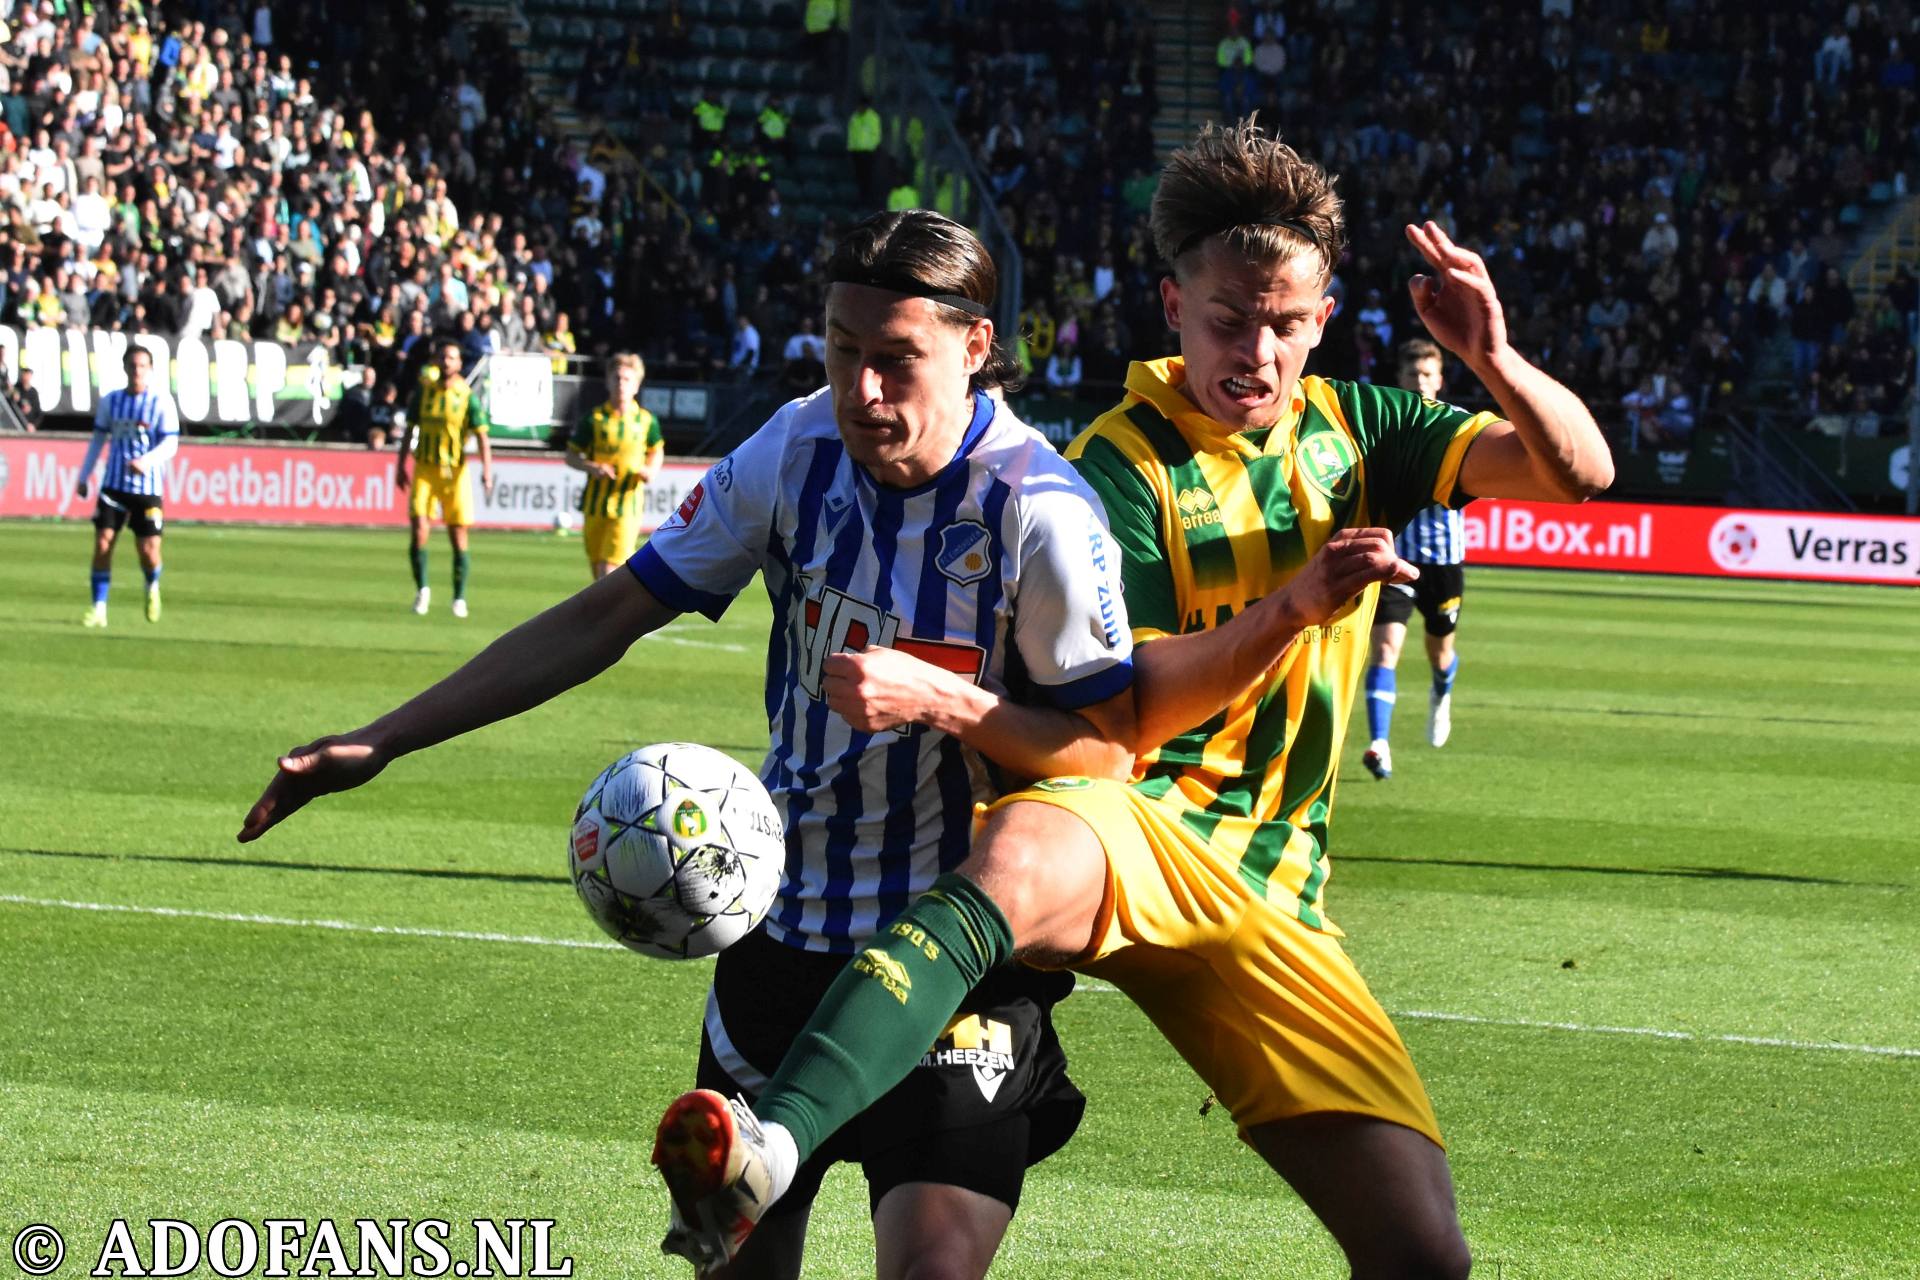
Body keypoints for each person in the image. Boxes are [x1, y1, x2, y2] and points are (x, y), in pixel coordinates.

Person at [652, 118, 1615, 1279]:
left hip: (1275, 881)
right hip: (1135, 816)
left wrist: (1496, 358)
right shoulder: (1115, 465)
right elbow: (1132, 722)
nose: (1253, 350)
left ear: (1323, 318)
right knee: (1014, 859)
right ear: (1174, 306)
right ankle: (776, 1141)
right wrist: (1291, 610)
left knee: (1425, 1254)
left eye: (1284, 324)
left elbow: (1580, 472)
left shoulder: (1367, 429)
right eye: (1227, 319)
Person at [237, 209, 1137, 1280]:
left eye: (897, 361)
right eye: (843, 351)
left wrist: (946, 703)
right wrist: (382, 740)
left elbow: (1106, 756)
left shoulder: (1040, 514)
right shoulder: (796, 448)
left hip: (956, 968)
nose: (862, 391)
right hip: (777, 948)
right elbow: (607, 613)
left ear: (976, 347)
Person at [1361, 338, 1469, 781]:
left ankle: (1442, 692)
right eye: (1413, 375)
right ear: (1400, 379)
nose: (1421, 382)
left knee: (1440, 653)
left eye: (1428, 375)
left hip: (1444, 564)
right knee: (1385, 650)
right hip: (1396, 558)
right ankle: (1379, 743)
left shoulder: (1460, 425)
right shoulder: (1387, 425)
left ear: (1440, 380)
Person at [76, 346, 180, 627]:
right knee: (102, 543)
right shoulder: (111, 402)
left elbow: (171, 443)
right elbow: (98, 440)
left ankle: (152, 586)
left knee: (148, 551)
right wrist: (84, 475)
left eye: (142, 366)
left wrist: (147, 461)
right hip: (113, 487)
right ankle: (98, 609)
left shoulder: (160, 403)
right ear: (125, 368)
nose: (137, 371)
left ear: (150, 369)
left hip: (147, 489)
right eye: (133, 365)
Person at [395, 339, 494, 618]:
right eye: (443, 357)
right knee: (418, 528)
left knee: (458, 535)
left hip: (455, 473)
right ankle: (422, 590)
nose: (446, 362)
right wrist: (400, 464)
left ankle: (459, 597)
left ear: (459, 364)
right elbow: (409, 430)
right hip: (425, 468)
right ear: (437, 361)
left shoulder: (466, 396)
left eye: (452, 357)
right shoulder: (424, 392)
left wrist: (487, 470)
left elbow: (482, 436)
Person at [565, 352, 663, 580]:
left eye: (627, 379)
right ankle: (605, 614)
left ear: (636, 386)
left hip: (627, 506)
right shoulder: (594, 419)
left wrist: (650, 470)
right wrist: (592, 467)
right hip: (595, 505)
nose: (621, 384)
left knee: (608, 569)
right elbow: (571, 455)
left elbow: (656, 450)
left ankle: (607, 616)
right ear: (608, 382)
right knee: (598, 570)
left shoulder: (646, 421)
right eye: (617, 378)